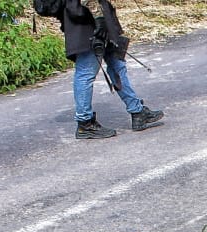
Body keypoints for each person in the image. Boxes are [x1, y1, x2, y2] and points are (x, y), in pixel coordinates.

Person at [61, 0, 163, 139]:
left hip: (99, 17)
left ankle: (137, 112)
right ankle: (85, 123)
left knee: (117, 63)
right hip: (87, 20)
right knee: (86, 72)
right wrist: (99, 18)